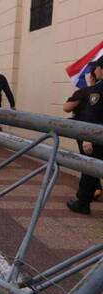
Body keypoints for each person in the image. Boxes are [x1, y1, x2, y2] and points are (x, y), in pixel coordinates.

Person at [64, 56, 103, 215]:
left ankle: (83, 202)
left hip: (97, 137)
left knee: (89, 167)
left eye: (96, 68)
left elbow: (93, 115)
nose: (95, 71)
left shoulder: (97, 90)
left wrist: (88, 138)